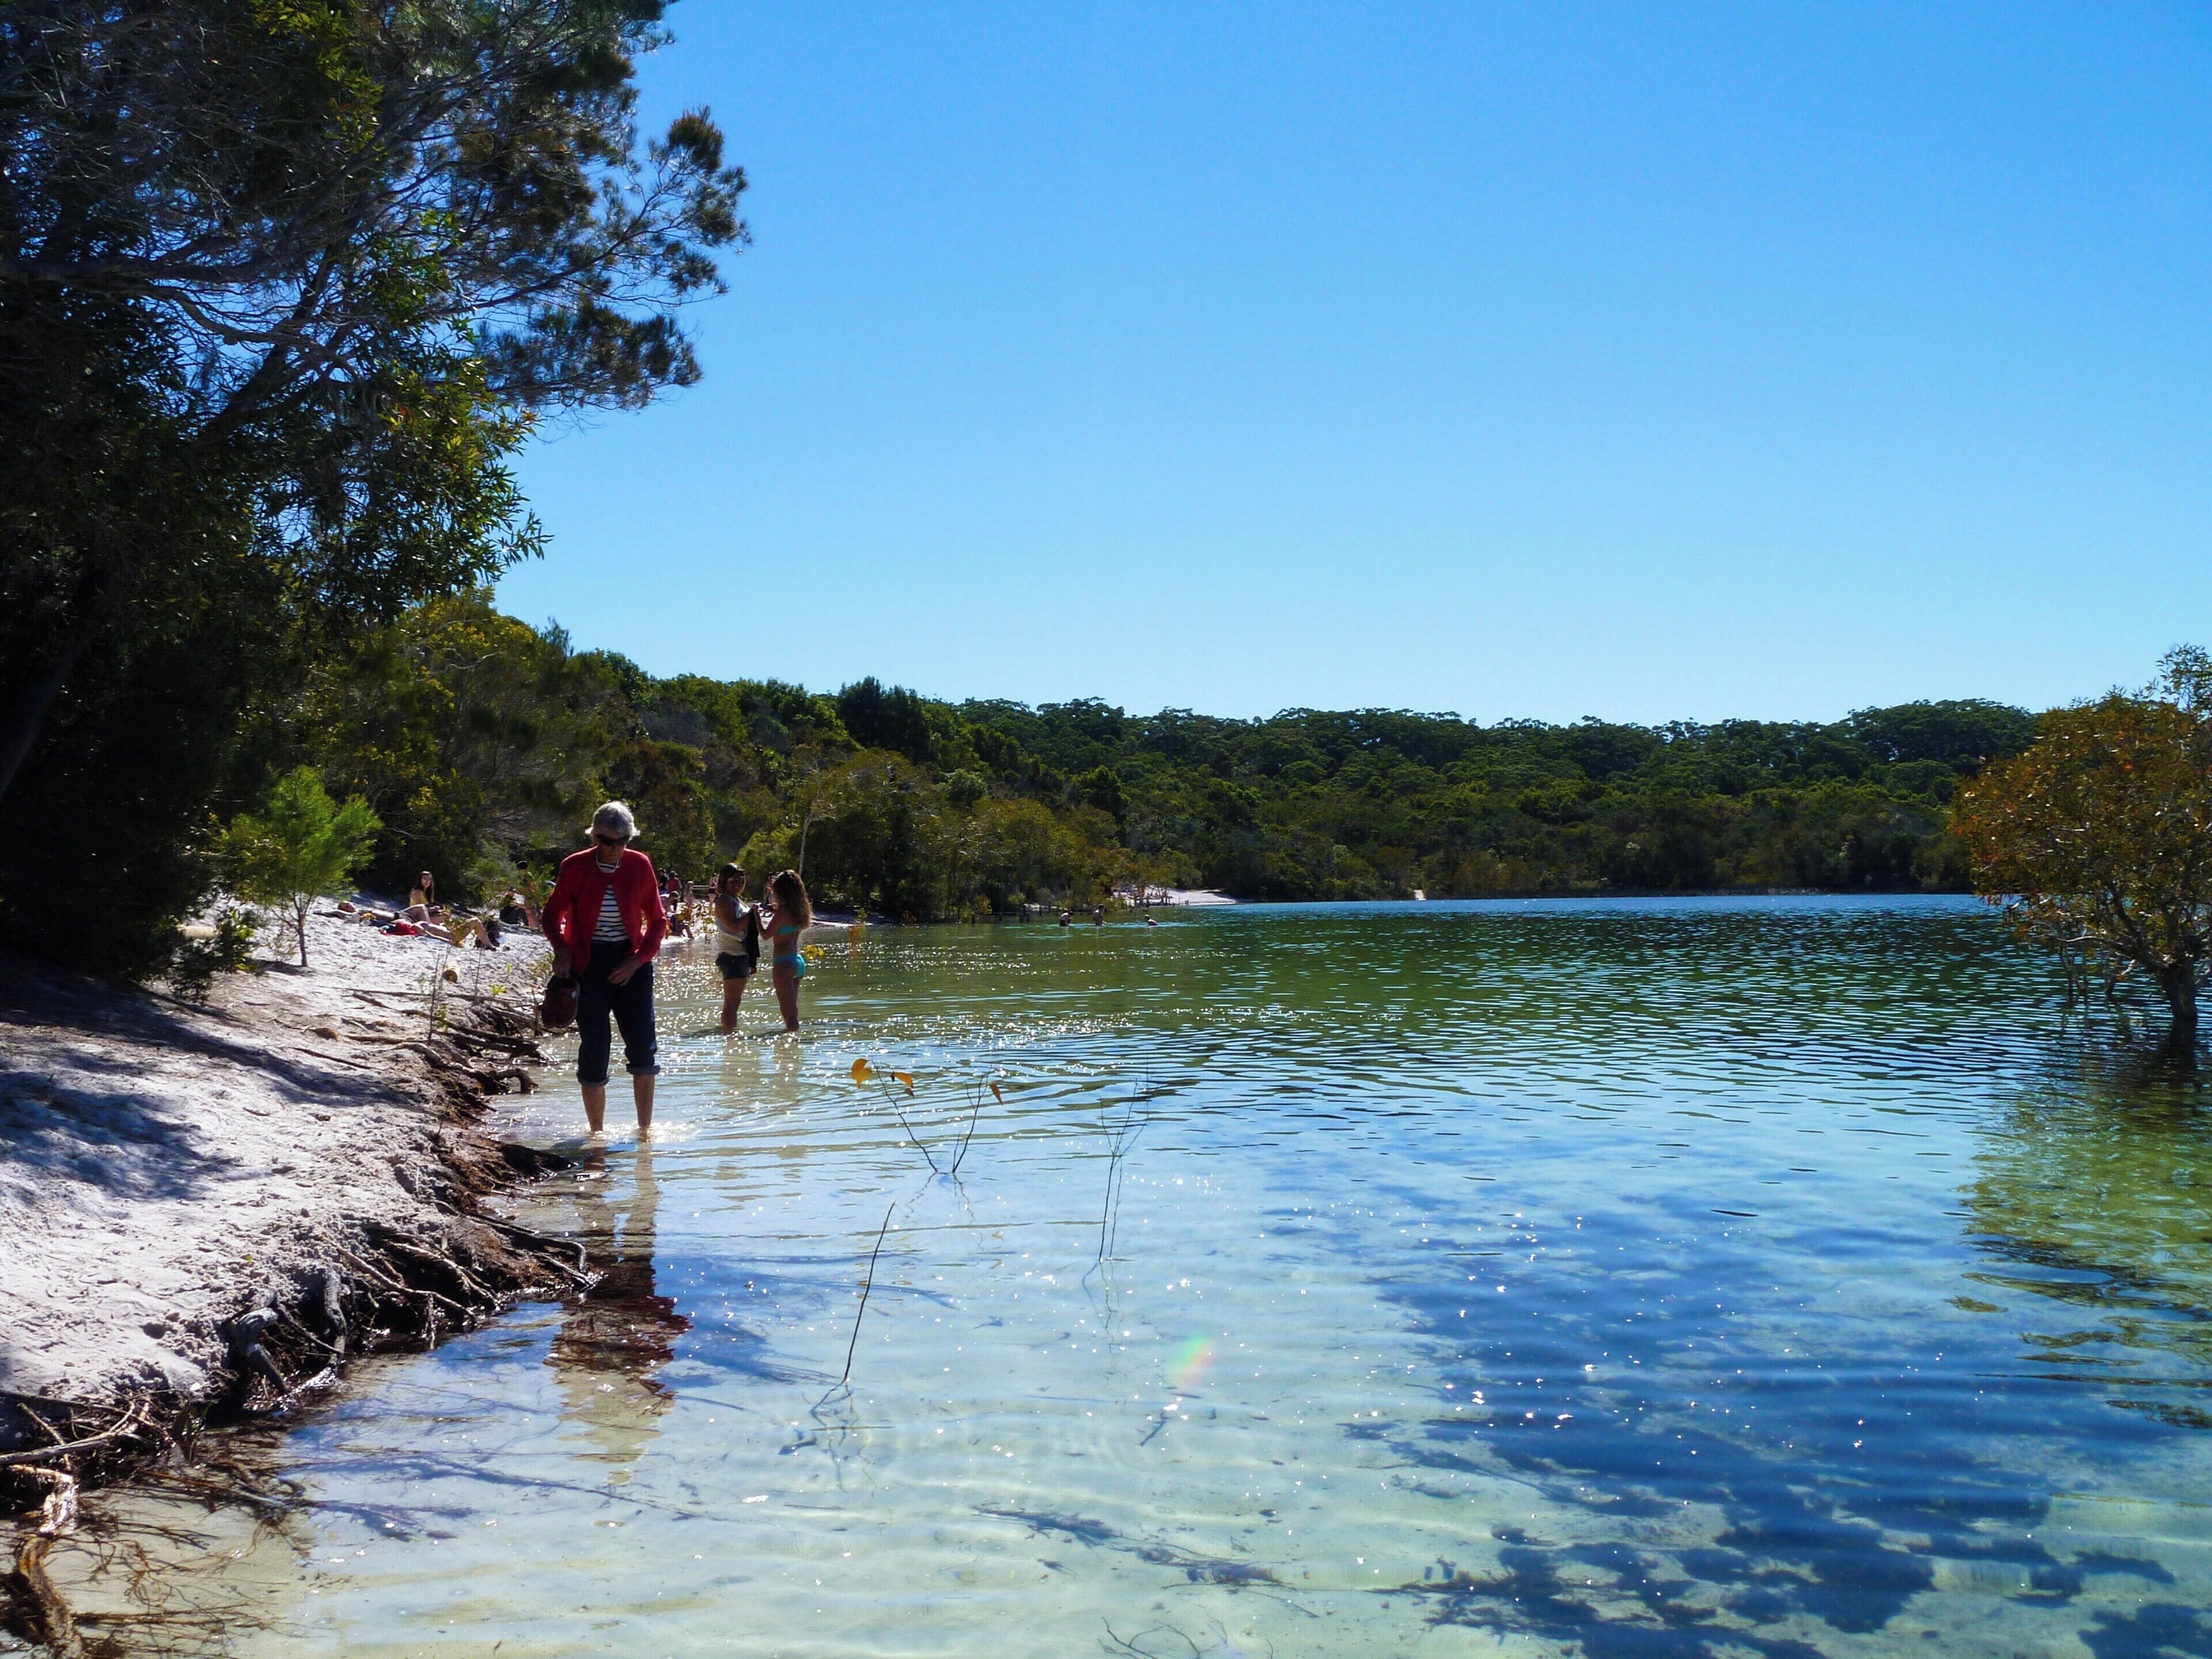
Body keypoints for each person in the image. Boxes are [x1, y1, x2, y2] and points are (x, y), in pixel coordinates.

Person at [543, 802, 668, 1133]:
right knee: (595, 1049)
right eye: (605, 840)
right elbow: (550, 915)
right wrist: (561, 950)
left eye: (622, 840)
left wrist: (638, 960)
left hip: (632, 962)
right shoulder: (575, 866)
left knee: (643, 1051)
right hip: (588, 965)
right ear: (594, 837)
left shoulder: (640, 865)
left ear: (630, 838)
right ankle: (596, 1135)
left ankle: (645, 1137)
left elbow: (657, 922)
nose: (614, 848)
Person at [760, 868, 812, 1034]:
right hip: (797, 962)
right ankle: (794, 1048)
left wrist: (755, 914)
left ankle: (791, 1050)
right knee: (792, 1012)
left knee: (789, 1016)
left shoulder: (783, 911)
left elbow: (766, 935)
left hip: (784, 963)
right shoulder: (799, 912)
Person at [711, 863, 760, 1034]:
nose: (738, 883)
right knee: (732, 1002)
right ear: (724, 881)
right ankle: (730, 1037)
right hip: (732, 956)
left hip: (740, 956)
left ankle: (729, 1034)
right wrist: (751, 915)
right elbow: (733, 927)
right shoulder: (724, 900)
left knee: (734, 1002)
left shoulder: (736, 900)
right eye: (734, 880)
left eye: (741, 880)